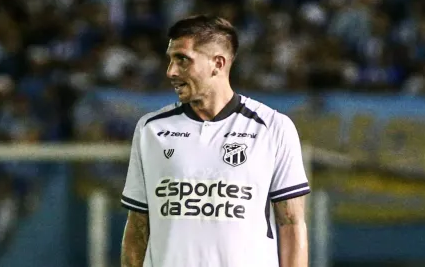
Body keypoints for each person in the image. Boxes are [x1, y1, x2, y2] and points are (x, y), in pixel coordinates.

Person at [120, 15, 311, 267]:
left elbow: (291, 223)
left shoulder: (273, 128)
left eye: (182, 60)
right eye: (170, 60)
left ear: (217, 63)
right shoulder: (151, 129)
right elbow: (137, 225)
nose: (171, 71)